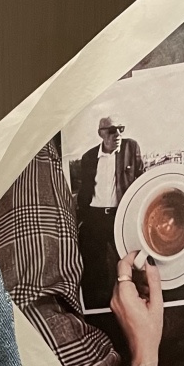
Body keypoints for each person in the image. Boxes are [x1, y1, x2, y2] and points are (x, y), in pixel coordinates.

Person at [76, 116, 145, 311]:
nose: (118, 134)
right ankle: (97, 311)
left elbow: (142, 182)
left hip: (121, 217)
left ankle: (133, 307)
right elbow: (84, 191)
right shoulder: (88, 158)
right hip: (95, 218)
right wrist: (83, 218)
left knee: (128, 264)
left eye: (121, 129)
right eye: (112, 130)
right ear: (101, 133)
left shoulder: (131, 148)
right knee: (94, 269)